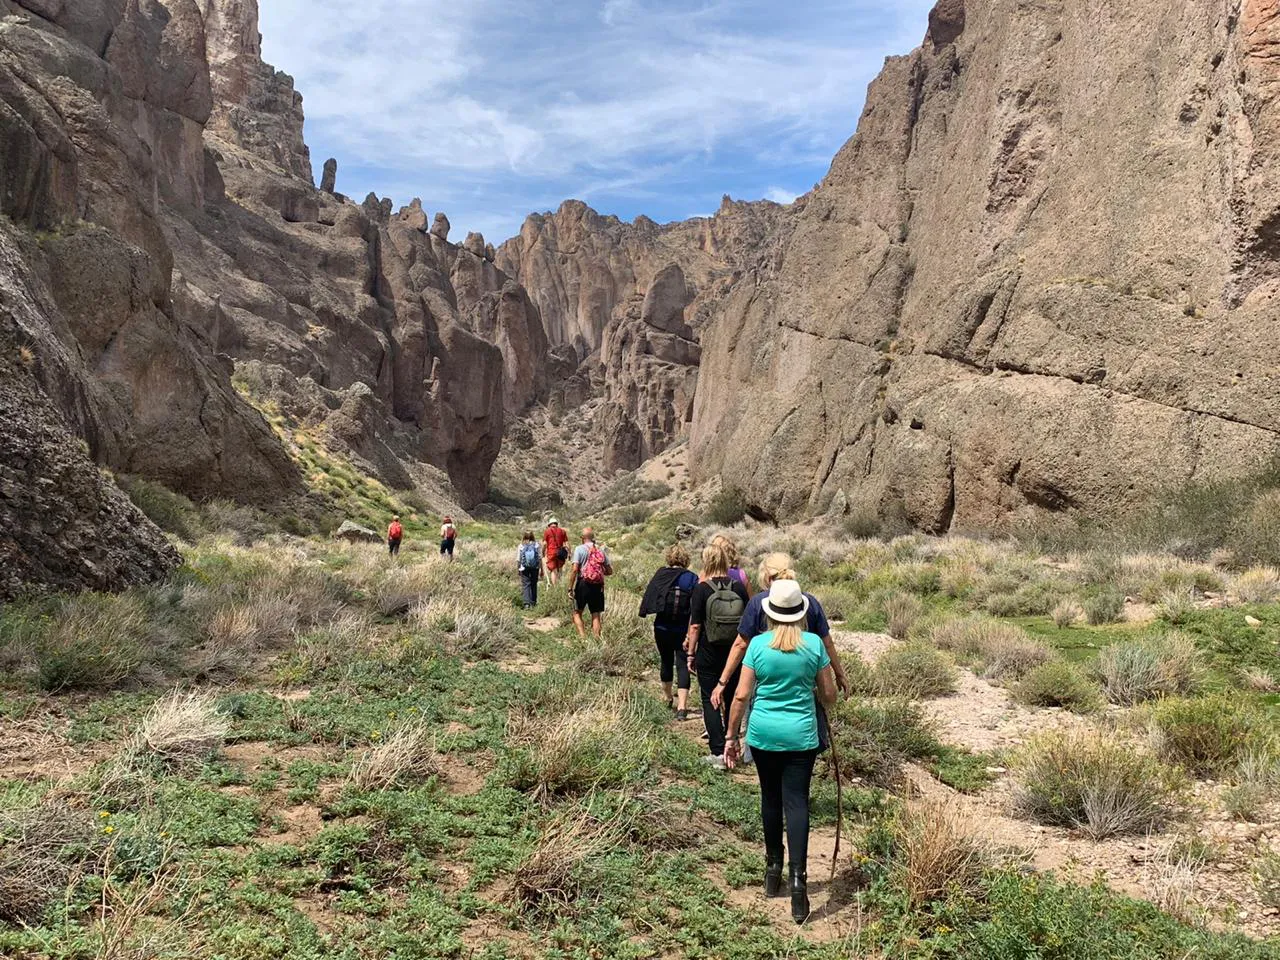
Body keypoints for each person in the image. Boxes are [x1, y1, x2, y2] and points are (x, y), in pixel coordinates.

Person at [724, 579, 837, 925]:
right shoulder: (814, 644)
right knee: (797, 803)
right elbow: (829, 695)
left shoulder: (757, 645)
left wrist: (731, 735)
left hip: (764, 735)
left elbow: (741, 696)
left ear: (770, 612)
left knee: (770, 800)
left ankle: (773, 871)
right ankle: (799, 883)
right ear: (801, 612)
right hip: (801, 736)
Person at [710, 553, 851, 710]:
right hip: (806, 686)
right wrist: (839, 674)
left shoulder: (758, 603)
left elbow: (740, 645)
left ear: (767, 576)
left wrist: (723, 681)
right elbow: (827, 643)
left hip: (767, 687)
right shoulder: (809, 601)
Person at [685, 542, 750, 768]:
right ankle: (732, 743)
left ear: (706, 561)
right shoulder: (739, 587)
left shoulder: (702, 588)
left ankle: (717, 752)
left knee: (709, 698)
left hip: (708, 651)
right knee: (732, 696)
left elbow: (695, 626)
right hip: (735, 652)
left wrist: (691, 655)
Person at [639, 545, 699, 720]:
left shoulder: (661, 575)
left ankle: (667, 698)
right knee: (682, 664)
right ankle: (682, 707)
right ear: (686, 559)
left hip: (662, 627)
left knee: (666, 661)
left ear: (669, 558)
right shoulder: (692, 578)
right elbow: (695, 607)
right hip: (683, 629)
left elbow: (650, 596)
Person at [566, 527, 612, 639]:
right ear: (592, 538)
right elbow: (610, 571)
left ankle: (583, 639)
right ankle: (596, 639)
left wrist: (570, 588)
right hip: (597, 585)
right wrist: (597, 573)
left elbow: (575, 569)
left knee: (577, 612)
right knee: (596, 614)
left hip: (583, 583)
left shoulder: (579, 549)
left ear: (583, 538)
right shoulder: (600, 550)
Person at [517, 531, 541, 610]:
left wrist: (518, 569)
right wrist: (540, 568)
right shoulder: (536, 545)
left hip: (524, 567)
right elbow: (539, 558)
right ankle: (533, 602)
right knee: (534, 584)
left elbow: (518, 559)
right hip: (535, 567)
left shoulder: (521, 545)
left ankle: (526, 604)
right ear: (532, 536)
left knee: (526, 584)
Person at [543, 517, 570, 586]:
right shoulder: (562, 531)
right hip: (560, 552)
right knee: (560, 569)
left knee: (553, 570)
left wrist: (543, 552)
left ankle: (555, 588)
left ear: (549, 525)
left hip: (551, 553)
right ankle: (560, 585)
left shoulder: (547, 531)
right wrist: (569, 553)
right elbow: (567, 544)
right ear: (556, 524)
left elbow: (545, 544)